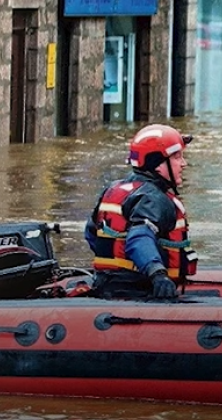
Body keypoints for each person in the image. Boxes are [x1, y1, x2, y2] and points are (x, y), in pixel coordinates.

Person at [84, 124, 198, 299]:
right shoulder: (154, 198)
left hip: (107, 285)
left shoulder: (115, 189)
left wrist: (114, 267)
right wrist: (158, 275)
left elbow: (92, 232)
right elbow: (139, 238)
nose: (184, 163)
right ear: (158, 164)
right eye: (177, 157)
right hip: (136, 289)